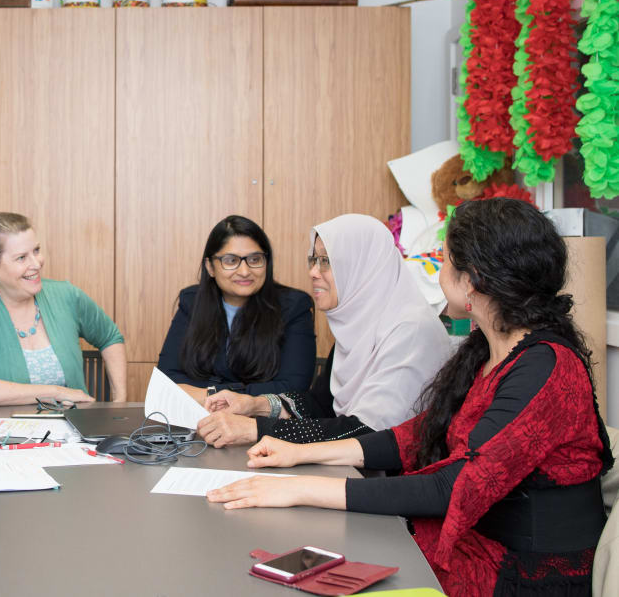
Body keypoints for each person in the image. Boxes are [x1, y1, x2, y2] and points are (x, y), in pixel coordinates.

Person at [208, 198, 613, 596]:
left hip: (521, 571)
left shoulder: (547, 367)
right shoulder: (486, 351)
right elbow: (416, 436)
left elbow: (453, 486)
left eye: (446, 263)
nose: (438, 274)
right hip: (476, 541)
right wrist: (303, 454)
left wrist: (299, 488)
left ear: (472, 282)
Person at [197, 213, 448, 447]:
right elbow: (319, 405)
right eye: (313, 260)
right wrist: (255, 405)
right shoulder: (360, 326)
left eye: (326, 261)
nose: (313, 272)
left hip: (398, 482)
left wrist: (255, 429)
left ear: (364, 267)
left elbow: (366, 433)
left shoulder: (410, 331)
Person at [0, 210, 127, 406]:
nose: (36, 263)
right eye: (21, 258)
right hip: (5, 434)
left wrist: (119, 401)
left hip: (74, 432)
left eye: (36, 251)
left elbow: (110, 336)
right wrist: (56, 392)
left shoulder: (65, 295)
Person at [156, 215, 315, 403]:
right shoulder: (192, 302)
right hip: (199, 418)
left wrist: (211, 393)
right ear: (210, 267)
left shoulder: (294, 306)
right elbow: (168, 379)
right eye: (231, 261)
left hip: (262, 423)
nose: (245, 271)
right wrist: (244, 392)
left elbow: (293, 387)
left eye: (255, 259)